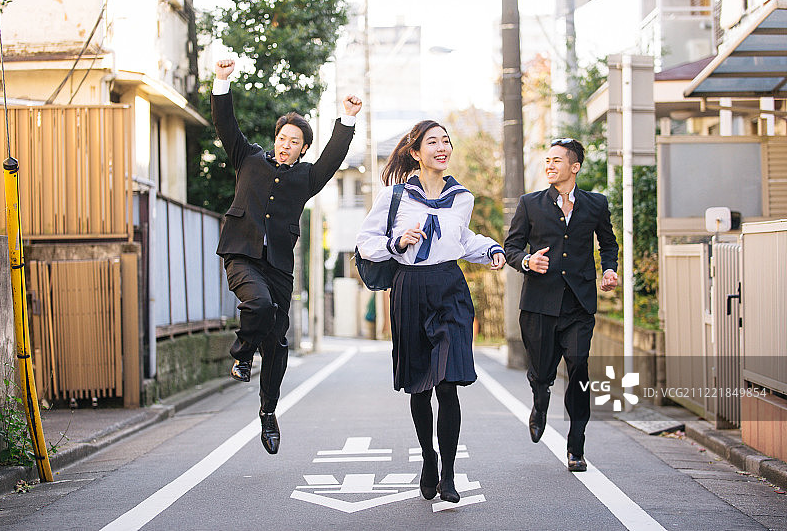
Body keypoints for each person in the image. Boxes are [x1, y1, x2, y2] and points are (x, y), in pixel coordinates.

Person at [212, 59, 361, 454]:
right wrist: (222, 81)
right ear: (275, 137)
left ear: (303, 148)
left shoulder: (307, 177)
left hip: (278, 264)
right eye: (283, 137)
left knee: (277, 344)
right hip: (241, 254)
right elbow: (226, 124)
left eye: (294, 141)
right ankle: (242, 356)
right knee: (257, 304)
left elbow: (333, 158)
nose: (286, 144)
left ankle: (267, 412)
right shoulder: (248, 158)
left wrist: (346, 117)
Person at [356, 121, 506, 503]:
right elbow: (366, 243)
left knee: (448, 382)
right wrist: (397, 241)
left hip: (449, 289)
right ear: (415, 152)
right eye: (432, 142)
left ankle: (450, 474)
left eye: (446, 141)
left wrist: (491, 249)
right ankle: (428, 458)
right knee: (420, 386)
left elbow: (461, 238)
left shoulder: (462, 197)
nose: (442, 148)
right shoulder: (394, 197)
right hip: (409, 289)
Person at [504, 138, 618, 472]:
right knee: (541, 373)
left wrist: (610, 269)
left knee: (579, 367)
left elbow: (608, 244)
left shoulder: (596, 204)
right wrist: (527, 261)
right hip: (539, 303)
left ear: (575, 167)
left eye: (557, 160)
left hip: (579, 304)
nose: (550, 165)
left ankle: (576, 447)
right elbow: (511, 247)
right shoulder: (531, 204)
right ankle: (540, 404)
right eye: (547, 160)